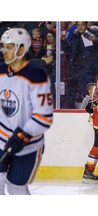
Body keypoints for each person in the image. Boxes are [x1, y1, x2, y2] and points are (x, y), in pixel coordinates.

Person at [0, 28, 54, 194]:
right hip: (2, 138)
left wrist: (23, 134)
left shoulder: (36, 75)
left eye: (9, 47)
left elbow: (44, 116)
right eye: (3, 46)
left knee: (16, 188)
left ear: (21, 49)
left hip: (28, 145)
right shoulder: (1, 71)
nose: (4, 51)